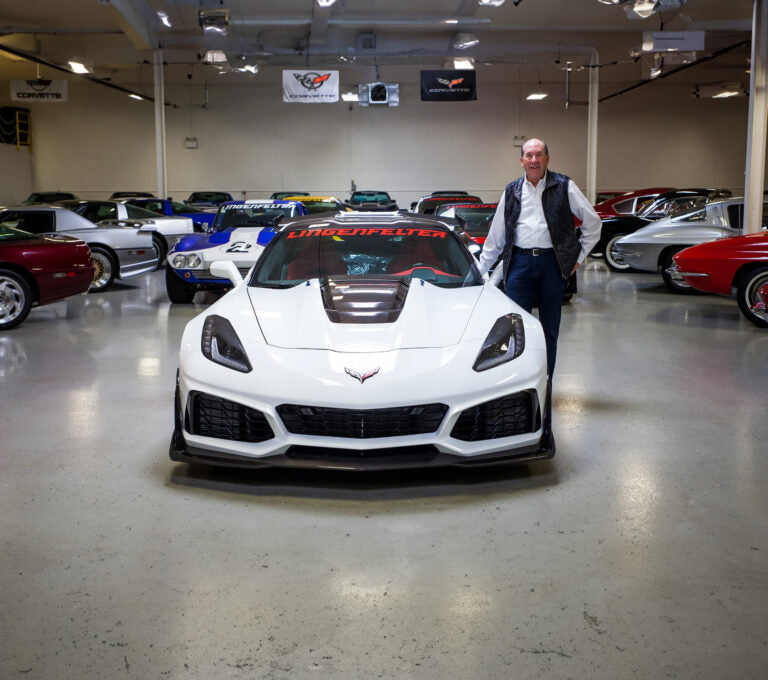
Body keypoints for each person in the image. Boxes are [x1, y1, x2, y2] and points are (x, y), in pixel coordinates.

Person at [478, 138, 601, 380]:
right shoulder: (512, 191)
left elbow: (593, 224)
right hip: (519, 265)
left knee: (549, 331)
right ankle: (518, 383)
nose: (534, 160)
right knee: (516, 329)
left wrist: (577, 258)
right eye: (529, 155)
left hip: (551, 266)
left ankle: (546, 381)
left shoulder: (564, 186)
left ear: (547, 158)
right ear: (521, 160)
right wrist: (481, 271)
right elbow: (496, 237)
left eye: (539, 155)